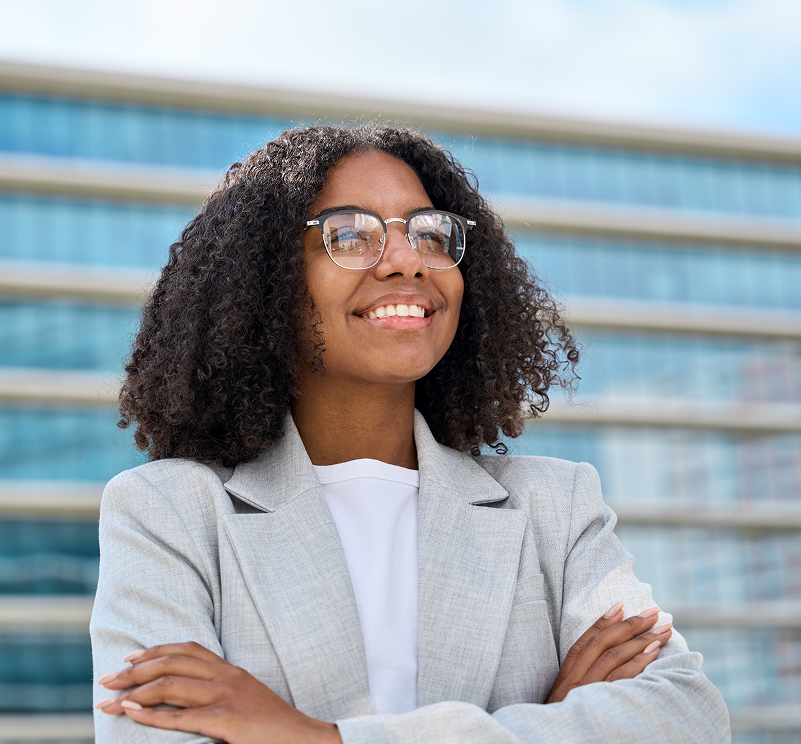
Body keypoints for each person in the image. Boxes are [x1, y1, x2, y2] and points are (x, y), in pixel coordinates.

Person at [91, 124, 730, 743]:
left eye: (429, 234)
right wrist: (547, 718)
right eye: (349, 234)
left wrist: (318, 738)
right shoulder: (168, 512)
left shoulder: (555, 509)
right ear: (266, 281)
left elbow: (688, 718)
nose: (406, 260)